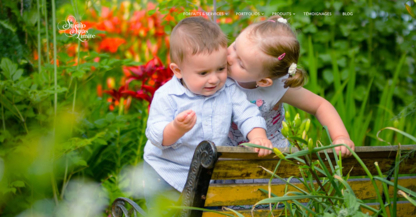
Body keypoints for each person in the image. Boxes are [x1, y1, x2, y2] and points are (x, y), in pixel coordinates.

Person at [142, 16, 273, 214]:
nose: (214, 79)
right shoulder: (168, 96)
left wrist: (258, 136)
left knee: (204, 211)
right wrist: (175, 129)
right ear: (178, 70)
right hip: (165, 171)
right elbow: (155, 134)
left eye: (220, 69)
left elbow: (247, 113)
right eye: (203, 73)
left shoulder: (228, 89)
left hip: (205, 171)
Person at [226, 15, 355, 157]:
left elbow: (320, 106)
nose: (229, 58)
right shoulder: (216, 73)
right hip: (227, 150)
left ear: (263, 81)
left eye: (241, 63)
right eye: (234, 46)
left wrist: (340, 137)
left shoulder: (277, 88)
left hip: (270, 154)